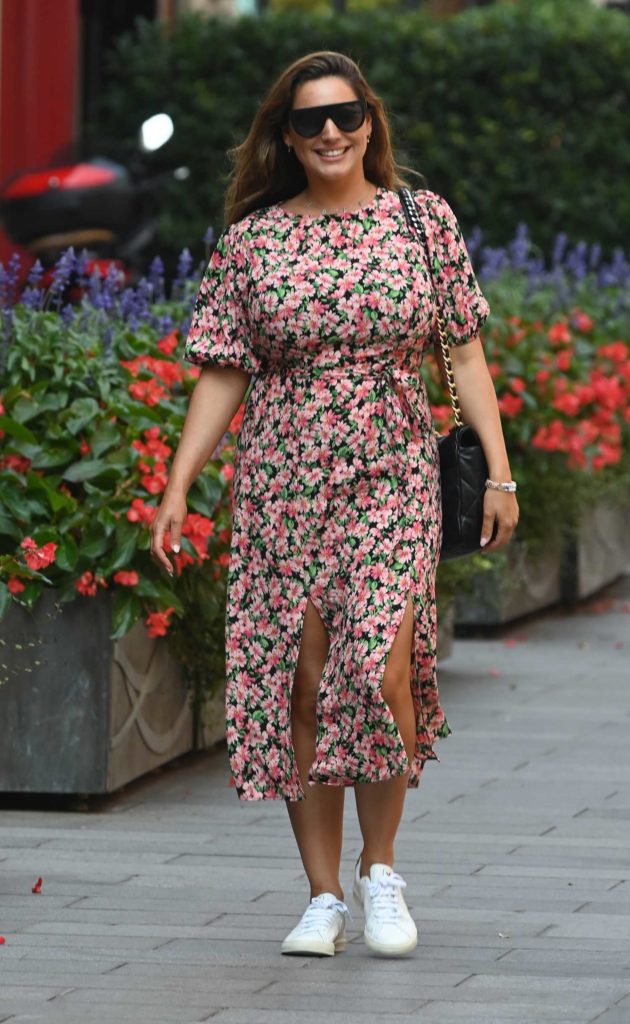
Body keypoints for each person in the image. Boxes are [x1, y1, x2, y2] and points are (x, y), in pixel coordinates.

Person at [150, 50, 518, 959]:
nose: (329, 133)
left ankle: (380, 869)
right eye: (310, 120)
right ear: (285, 134)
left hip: (393, 473)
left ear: (370, 122)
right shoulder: (255, 239)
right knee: (305, 684)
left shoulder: (420, 220)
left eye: (346, 114)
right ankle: (323, 895)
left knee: (380, 669)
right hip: (283, 477)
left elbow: (463, 354)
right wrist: (178, 482)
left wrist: (501, 476)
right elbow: (224, 369)